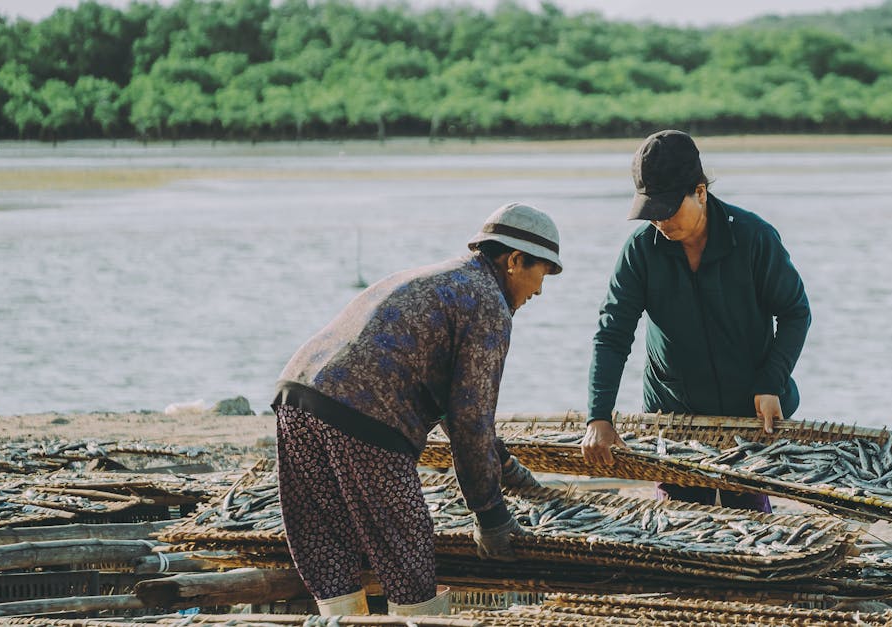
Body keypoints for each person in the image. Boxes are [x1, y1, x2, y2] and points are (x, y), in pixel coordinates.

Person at [273, 203, 559, 616]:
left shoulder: (443, 278)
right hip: (365, 414)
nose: (539, 292)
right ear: (515, 261)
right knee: (406, 550)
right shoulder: (487, 302)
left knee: (327, 544)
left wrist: (509, 472)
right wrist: (491, 515)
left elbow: (454, 410)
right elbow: (470, 421)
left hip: (296, 396)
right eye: (541, 275)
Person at [581, 130, 810, 513]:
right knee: (678, 522)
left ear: (700, 192)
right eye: (651, 211)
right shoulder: (640, 251)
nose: (660, 221)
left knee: (751, 517)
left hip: (749, 411)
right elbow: (613, 335)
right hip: (674, 413)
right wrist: (599, 416)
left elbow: (795, 312)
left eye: (669, 209)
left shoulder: (754, 238)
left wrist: (771, 383)